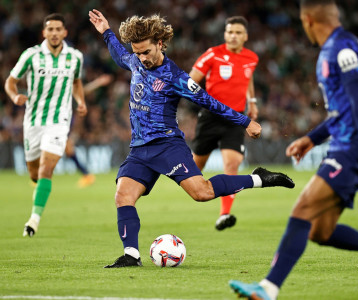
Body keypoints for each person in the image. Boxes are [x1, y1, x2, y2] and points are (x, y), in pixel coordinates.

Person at [88, 9, 295, 268]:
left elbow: (210, 102)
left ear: (160, 44)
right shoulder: (134, 62)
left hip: (167, 145)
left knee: (202, 193)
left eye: (146, 52)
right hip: (139, 150)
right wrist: (106, 32)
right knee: (123, 196)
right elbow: (121, 55)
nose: (142, 58)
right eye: (137, 52)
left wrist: (246, 121)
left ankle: (259, 178)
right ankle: (131, 255)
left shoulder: (176, 78)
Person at [229, 1, 358, 299]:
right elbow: (341, 111)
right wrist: (312, 139)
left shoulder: (342, 50)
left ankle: (268, 288)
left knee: (302, 210)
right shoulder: (336, 49)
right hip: (346, 144)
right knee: (320, 231)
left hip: (356, 148)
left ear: (307, 20)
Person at [4, 13, 87, 237]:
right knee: (34, 171)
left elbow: (77, 81)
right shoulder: (31, 55)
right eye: (50, 29)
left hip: (60, 121)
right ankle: (38, 186)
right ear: (44, 33)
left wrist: (80, 101)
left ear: (65, 32)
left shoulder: (75, 57)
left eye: (58, 29)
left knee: (46, 169)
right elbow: (11, 81)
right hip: (33, 121)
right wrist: (14, 97)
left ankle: (33, 219)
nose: (54, 33)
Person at [189, 16, 259, 231]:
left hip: (235, 118)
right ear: (225, 34)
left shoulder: (251, 58)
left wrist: (252, 101)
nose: (233, 36)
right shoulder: (213, 54)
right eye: (230, 32)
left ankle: (224, 213)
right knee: (194, 168)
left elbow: (247, 78)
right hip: (210, 117)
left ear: (245, 36)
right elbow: (191, 80)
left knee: (232, 164)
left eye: (238, 32)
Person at [65, 74, 113, 188]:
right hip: (60, 121)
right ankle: (86, 175)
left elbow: (83, 91)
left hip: (63, 121)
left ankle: (87, 175)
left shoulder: (63, 89)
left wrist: (98, 82)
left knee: (67, 148)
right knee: (67, 149)